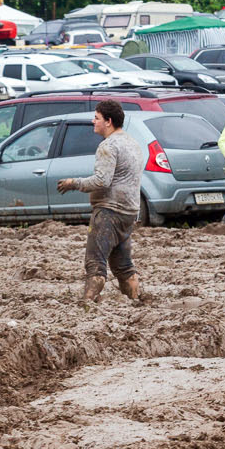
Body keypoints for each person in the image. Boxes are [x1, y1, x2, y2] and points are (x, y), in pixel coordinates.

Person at [56, 100, 144, 302]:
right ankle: (135, 301)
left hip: (108, 211)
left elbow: (102, 180)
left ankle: (86, 304)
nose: (92, 121)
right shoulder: (133, 143)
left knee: (95, 263)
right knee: (123, 265)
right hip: (130, 211)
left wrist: (73, 183)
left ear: (108, 121)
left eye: (96, 118)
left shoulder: (108, 146)